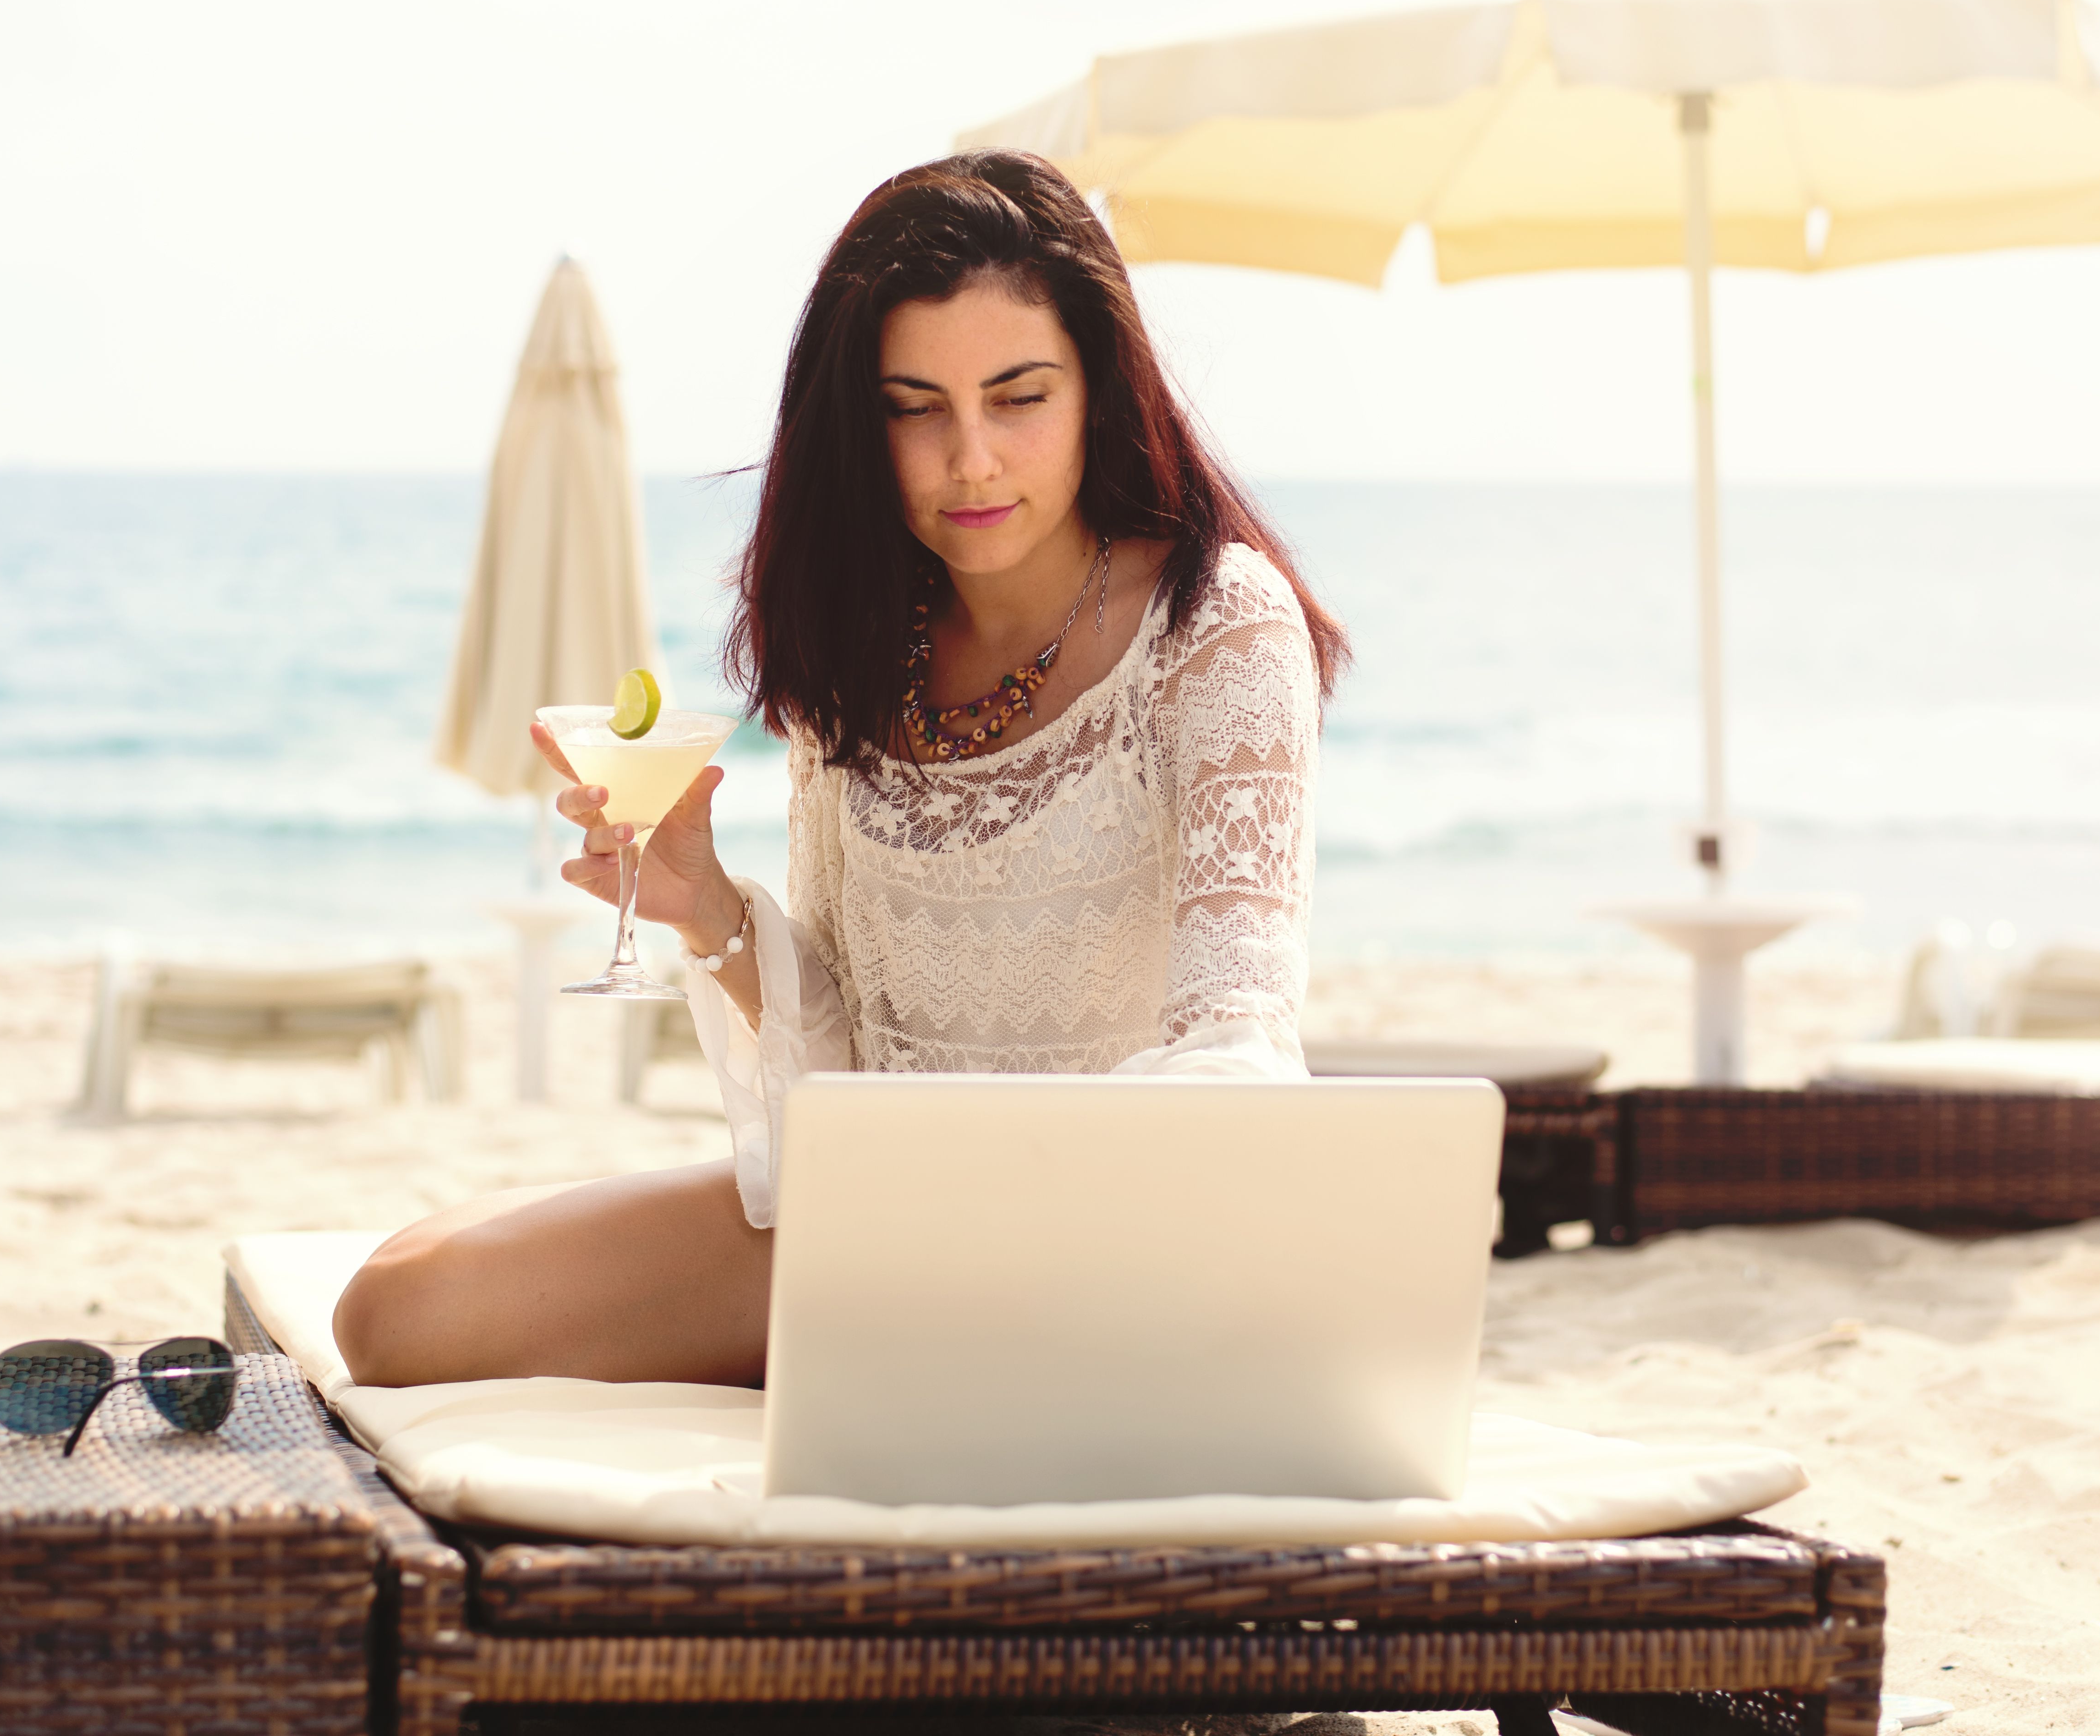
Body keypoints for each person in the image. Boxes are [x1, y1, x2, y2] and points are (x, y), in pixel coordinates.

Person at [335, 152, 1347, 1387]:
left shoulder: (1218, 626)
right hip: (881, 1209)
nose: (970, 459)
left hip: (1111, 1241)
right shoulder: (866, 641)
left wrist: (1008, 1214)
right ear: (857, 425)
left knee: (416, 1308)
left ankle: (936, 1348)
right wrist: (706, 908)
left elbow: (1237, 1047)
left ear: (1101, 387)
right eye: (915, 407)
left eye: (1019, 397)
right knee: (399, 1299)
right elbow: (849, 1060)